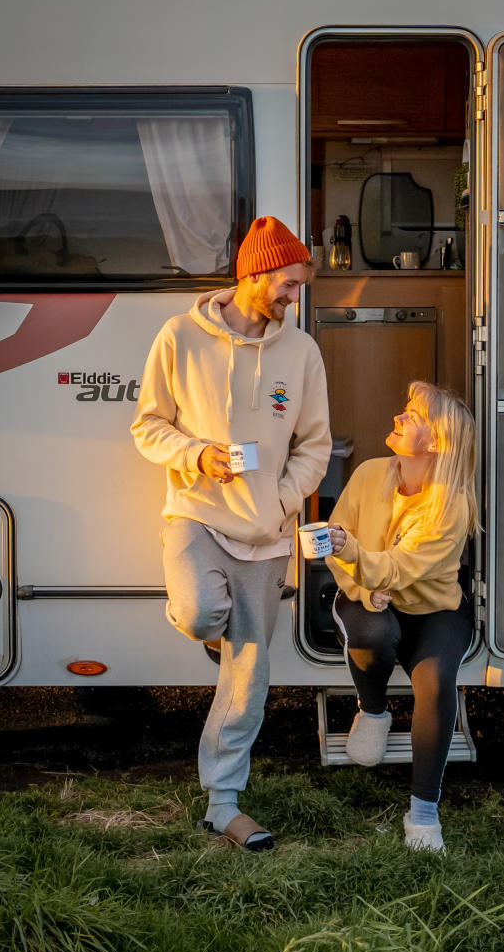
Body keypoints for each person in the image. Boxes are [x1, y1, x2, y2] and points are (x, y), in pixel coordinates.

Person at [131, 216, 331, 851]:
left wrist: (280, 498)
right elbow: (148, 426)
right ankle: (217, 638)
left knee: (249, 677)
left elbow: (315, 445)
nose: (293, 298)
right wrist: (195, 454)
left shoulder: (301, 353)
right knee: (195, 614)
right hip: (196, 512)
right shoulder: (179, 336)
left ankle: (223, 802)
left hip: (266, 533)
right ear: (254, 274)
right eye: (290, 284)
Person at [326, 381, 477, 852]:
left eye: (412, 415)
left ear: (436, 442)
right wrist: (361, 588)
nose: (398, 417)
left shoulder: (449, 505)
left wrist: (354, 554)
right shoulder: (371, 472)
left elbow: (396, 566)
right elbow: (335, 540)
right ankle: (372, 712)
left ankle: (424, 814)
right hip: (367, 593)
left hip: (434, 610)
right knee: (371, 630)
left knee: (435, 684)